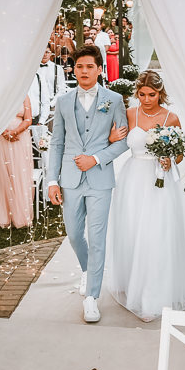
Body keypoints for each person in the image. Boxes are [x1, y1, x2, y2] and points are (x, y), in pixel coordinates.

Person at [47, 45, 130, 323]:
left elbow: (124, 141)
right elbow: (57, 143)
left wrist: (96, 158)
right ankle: (87, 270)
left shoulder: (114, 100)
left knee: (97, 238)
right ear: (74, 69)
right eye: (79, 66)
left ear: (99, 70)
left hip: (100, 179)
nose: (84, 71)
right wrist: (52, 180)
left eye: (89, 67)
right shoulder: (63, 101)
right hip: (70, 179)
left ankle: (92, 297)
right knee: (73, 234)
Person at [106, 71, 185, 321]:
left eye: (152, 95)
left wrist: (170, 160)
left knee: (156, 233)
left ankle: (153, 291)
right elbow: (117, 143)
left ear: (161, 94)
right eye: (142, 94)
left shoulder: (171, 117)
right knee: (133, 231)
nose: (146, 99)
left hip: (160, 183)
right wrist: (112, 137)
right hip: (133, 179)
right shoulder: (130, 114)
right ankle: (133, 282)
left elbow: (179, 154)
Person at [0, 95, 35, 228]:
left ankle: (20, 215)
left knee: (19, 174)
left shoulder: (24, 96)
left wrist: (15, 132)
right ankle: (4, 216)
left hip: (20, 139)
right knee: (2, 176)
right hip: (0, 138)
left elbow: (28, 119)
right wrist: (4, 132)